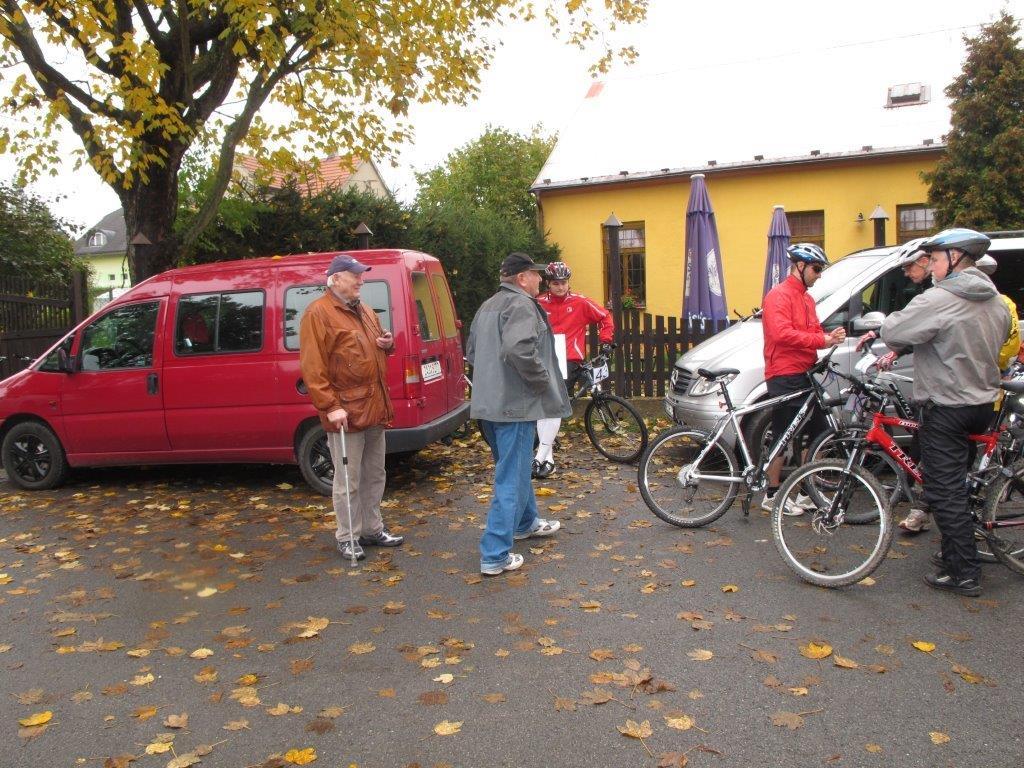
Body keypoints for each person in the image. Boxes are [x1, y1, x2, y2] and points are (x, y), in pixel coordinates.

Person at [880, 228, 1010, 597]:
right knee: (958, 483)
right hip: (981, 404)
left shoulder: (939, 298)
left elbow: (893, 330)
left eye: (936, 259)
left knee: (943, 489)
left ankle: (963, 572)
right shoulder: (996, 300)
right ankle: (953, 551)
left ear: (955, 259)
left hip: (946, 405)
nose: (932, 266)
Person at [467, 252, 572, 576]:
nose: (541, 279)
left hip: (490, 405)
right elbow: (518, 349)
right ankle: (494, 554)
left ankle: (526, 523)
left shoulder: (488, 305)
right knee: (510, 479)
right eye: (536, 274)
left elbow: (472, 353)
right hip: (515, 407)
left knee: (514, 468)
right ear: (522, 278)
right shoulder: (522, 305)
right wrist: (541, 381)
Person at [299, 254, 405, 561]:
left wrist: (386, 343)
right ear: (335, 279)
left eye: (361, 275)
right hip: (345, 411)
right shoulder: (318, 313)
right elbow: (313, 368)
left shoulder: (365, 310)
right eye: (355, 275)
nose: (361, 280)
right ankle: (348, 536)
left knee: (375, 473)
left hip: (374, 406)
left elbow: (373, 349)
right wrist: (330, 406)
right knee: (348, 480)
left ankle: (372, 528)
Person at [761, 242, 846, 514]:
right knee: (784, 433)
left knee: (819, 433)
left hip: (805, 372)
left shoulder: (807, 299)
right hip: (784, 373)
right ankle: (772, 495)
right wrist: (821, 340)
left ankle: (807, 491)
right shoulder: (778, 296)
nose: (819, 275)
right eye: (816, 269)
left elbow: (814, 331)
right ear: (800, 266)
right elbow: (781, 334)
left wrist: (829, 337)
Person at [532, 261, 615, 478]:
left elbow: (605, 317)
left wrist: (606, 341)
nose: (560, 287)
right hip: (544, 359)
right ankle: (545, 458)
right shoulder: (538, 303)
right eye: (556, 283)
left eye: (564, 282)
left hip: (569, 360)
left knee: (553, 406)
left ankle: (543, 457)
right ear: (548, 284)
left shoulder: (580, 302)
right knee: (549, 407)